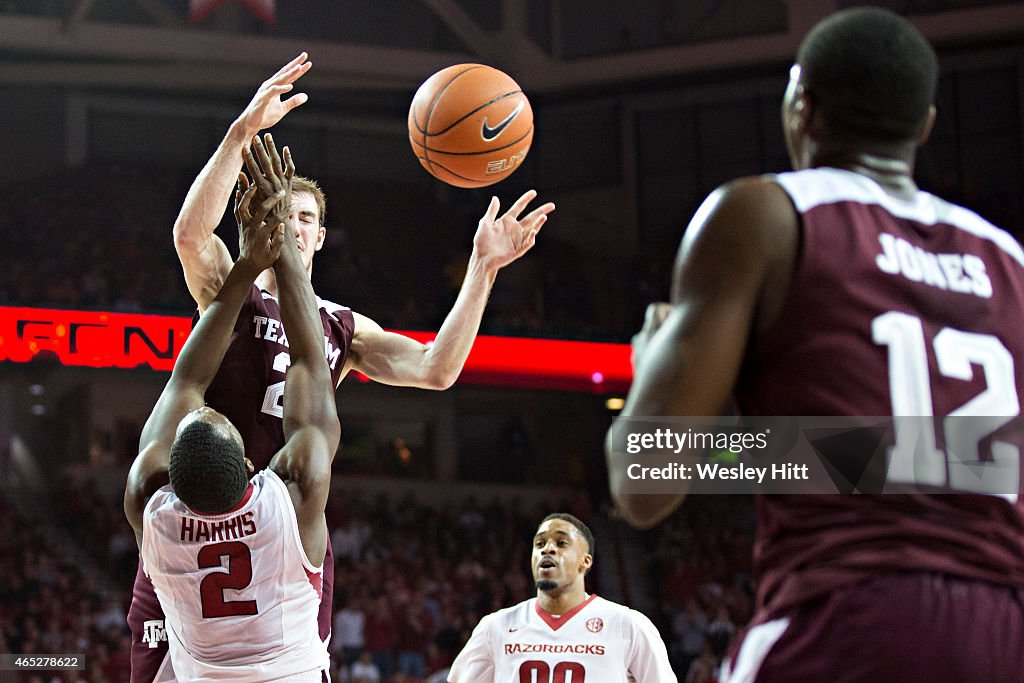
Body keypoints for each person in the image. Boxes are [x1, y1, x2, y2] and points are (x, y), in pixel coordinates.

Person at [607, 7, 1024, 681]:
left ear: (799, 105)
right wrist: (803, 452)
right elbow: (887, 456)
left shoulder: (766, 214)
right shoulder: (1010, 262)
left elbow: (646, 479)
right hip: (1006, 631)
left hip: (845, 615)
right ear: (923, 126)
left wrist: (654, 363)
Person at [128, 54, 555, 681]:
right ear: (261, 218)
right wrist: (241, 133)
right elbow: (191, 235)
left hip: (284, 533)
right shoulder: (231, 289)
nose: (293, 227)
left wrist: (482, 270)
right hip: (195, 516)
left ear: (322, 237)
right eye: (285, 213)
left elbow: (437, 369)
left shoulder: (341, 327)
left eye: (306, 219)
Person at [124, 146, 341, 680]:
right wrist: (280, 253)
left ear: (169, 474)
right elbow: (310, 362)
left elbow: (188, 380)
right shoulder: (286, 507)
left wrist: (245, 266)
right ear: (252, 467)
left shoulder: (153, 511)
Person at [447, 513, 676, 682]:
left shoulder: (628, 625)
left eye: (561, 542)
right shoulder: (495, 627)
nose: (548, 549)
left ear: (585, 561)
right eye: (540, 544)